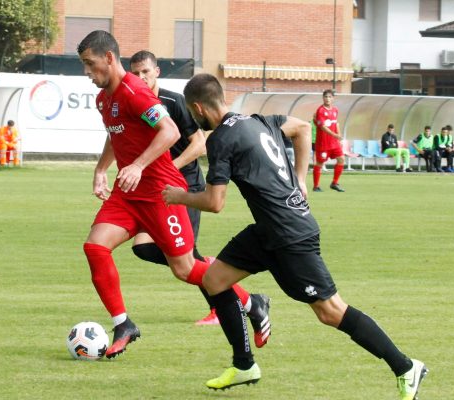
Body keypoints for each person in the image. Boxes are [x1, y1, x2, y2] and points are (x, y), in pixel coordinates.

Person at [162, 73, 427, 399]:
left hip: (290, 234)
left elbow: (215, 202)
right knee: (214, 280)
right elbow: (302, 128)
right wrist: (300, 179)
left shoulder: (220, 139)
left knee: (330, 312)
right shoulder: (260, 120)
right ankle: (244, 365)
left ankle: (405, 366)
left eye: (192, 112)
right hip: (268, 230)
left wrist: (179, 196)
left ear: (198, 107)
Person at [77, 30, 270, 359]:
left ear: (109, 58)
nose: (87, 72)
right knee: (95, 246)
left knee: (184, 269)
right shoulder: (103, 99)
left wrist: (137, 165)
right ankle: (124, 324)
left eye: (90, 64)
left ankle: (253, 302)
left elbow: (170, 131)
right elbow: (114, 134)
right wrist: (100, 170)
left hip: (159, 193)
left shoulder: (135, 92)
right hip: (128, 195)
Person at [128, 50, 218, 326]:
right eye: (136, 72)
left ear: (157, 72)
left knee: (187, 255)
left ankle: (220, 308)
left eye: (146, 71)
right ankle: (211, 267)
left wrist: (172, 167)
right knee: (142, 247)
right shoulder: (133, 101)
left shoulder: (173, 101)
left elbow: (199, 144)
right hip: (158, 188)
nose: (141, 77)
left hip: (186, 186)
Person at [313, 89, 344, 192]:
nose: (327, 99)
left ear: (333, 98)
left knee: (341, 159)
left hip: (334, 143)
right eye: (326, 97)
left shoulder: (335, 110)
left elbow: (336, 123)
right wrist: (335, 135)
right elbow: (322, 127)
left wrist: (338, 135)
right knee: (320, 163)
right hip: (323, 143)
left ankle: (334, 183)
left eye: (330, 97)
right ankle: (316, 186)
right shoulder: (320, 110)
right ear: (323, 98)